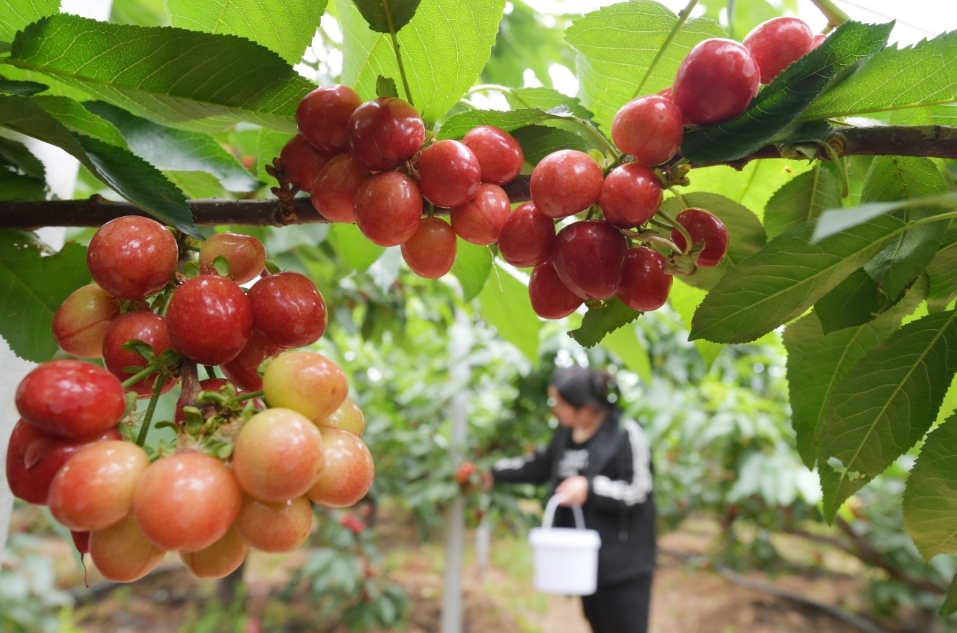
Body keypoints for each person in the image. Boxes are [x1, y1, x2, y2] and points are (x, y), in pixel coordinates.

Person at [482, 366, 655, 633]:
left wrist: (590, 487)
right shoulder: (566, 433)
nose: (554, 410)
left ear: (585, 408)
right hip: (584, 561)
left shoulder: (625, 431)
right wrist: (493, 474)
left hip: (623, 566)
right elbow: (539, 466)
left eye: (559, 403)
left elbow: (638, 489)